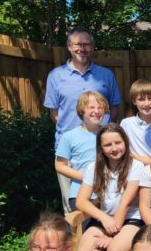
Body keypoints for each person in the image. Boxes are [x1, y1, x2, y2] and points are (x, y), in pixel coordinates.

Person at [44, 26, 122, 214]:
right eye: (78, 44)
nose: (83, 48)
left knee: (106, 203)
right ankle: (75, 242)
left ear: (93, 47)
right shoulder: (56, 76)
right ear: (69, 46)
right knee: (73, 208)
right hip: (70, 152)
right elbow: (54, 113)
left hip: (103, 148)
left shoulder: (105, 75)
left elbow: (114, 108)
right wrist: (75, 135)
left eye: (87, 44)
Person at [75, 124, 144, 251]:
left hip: (130, 219)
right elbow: (81, 201)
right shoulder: (94, 168)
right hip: (105, 218)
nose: (114, 148)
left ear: (126, 143)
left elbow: (125, 204)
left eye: (118, 142)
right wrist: (103, 218)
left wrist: (110, 235)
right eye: (107, 145)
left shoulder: (136, 166)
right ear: (101, 148)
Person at [54, 91, 109, 212]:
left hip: (109, 193)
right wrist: (87, 177)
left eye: (100, 107)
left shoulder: (109, 133)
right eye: (91, 107)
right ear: (81, 110)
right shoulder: (69, 136)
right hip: (81, 194)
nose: (97, 111)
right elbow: (60, 166)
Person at [120, 79, 151, 165]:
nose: (147, 104)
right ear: (134, 101)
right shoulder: (126, 124)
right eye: (141, 99)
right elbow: (123, 152)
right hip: (136, 171)